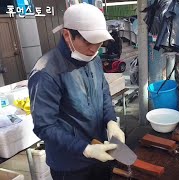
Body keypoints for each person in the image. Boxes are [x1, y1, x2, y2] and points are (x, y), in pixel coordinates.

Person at [28, 4, 125, 180]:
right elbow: (45, 126)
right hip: (70, 164)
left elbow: (103, 91)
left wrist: (111, 122)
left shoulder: (93, 58)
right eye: (88, 42)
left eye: (99, 42)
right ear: (67, 35)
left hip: (101, 149)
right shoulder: (46, 72)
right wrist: (85, 149)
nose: (94, 49)